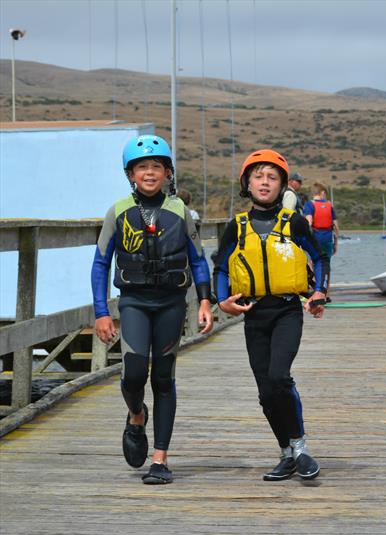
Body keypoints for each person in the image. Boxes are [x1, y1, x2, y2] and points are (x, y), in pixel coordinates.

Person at [91, 134, 213, 485]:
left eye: (156, 167)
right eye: (141, 167)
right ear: (130, 174)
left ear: (167, 173)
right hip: (134, 302)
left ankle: (159, 460)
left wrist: (204, 301)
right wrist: (102, 311)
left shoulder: (181, 213)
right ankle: (136, 415)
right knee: (132, 375)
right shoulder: (117, 212)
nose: (149, 172)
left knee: (163, 376)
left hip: (171, 303)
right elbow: (100, 264)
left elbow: (198, 260)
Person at [213, 149, 329, 481]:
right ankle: (286, 453)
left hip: (287, 311)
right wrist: (222, 301)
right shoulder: (237, 225)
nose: (265, 182)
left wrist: (318, 291)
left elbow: (319, 258)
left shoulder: (293, 222)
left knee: (279, 376)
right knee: (266, 392)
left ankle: (301, 448)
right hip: (254, 315)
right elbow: (220, 266)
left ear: (282, 186)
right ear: (247, 184)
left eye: (272, 177)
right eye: (259, 176)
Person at [304, 182, 339, 259]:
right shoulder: (329, 205)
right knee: (326, 264)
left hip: (315, 239)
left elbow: (308, 223)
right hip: (328, 240)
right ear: (322, 193)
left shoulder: (309, 204)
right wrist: (335, 244)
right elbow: (336, 226)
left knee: (314, 263)